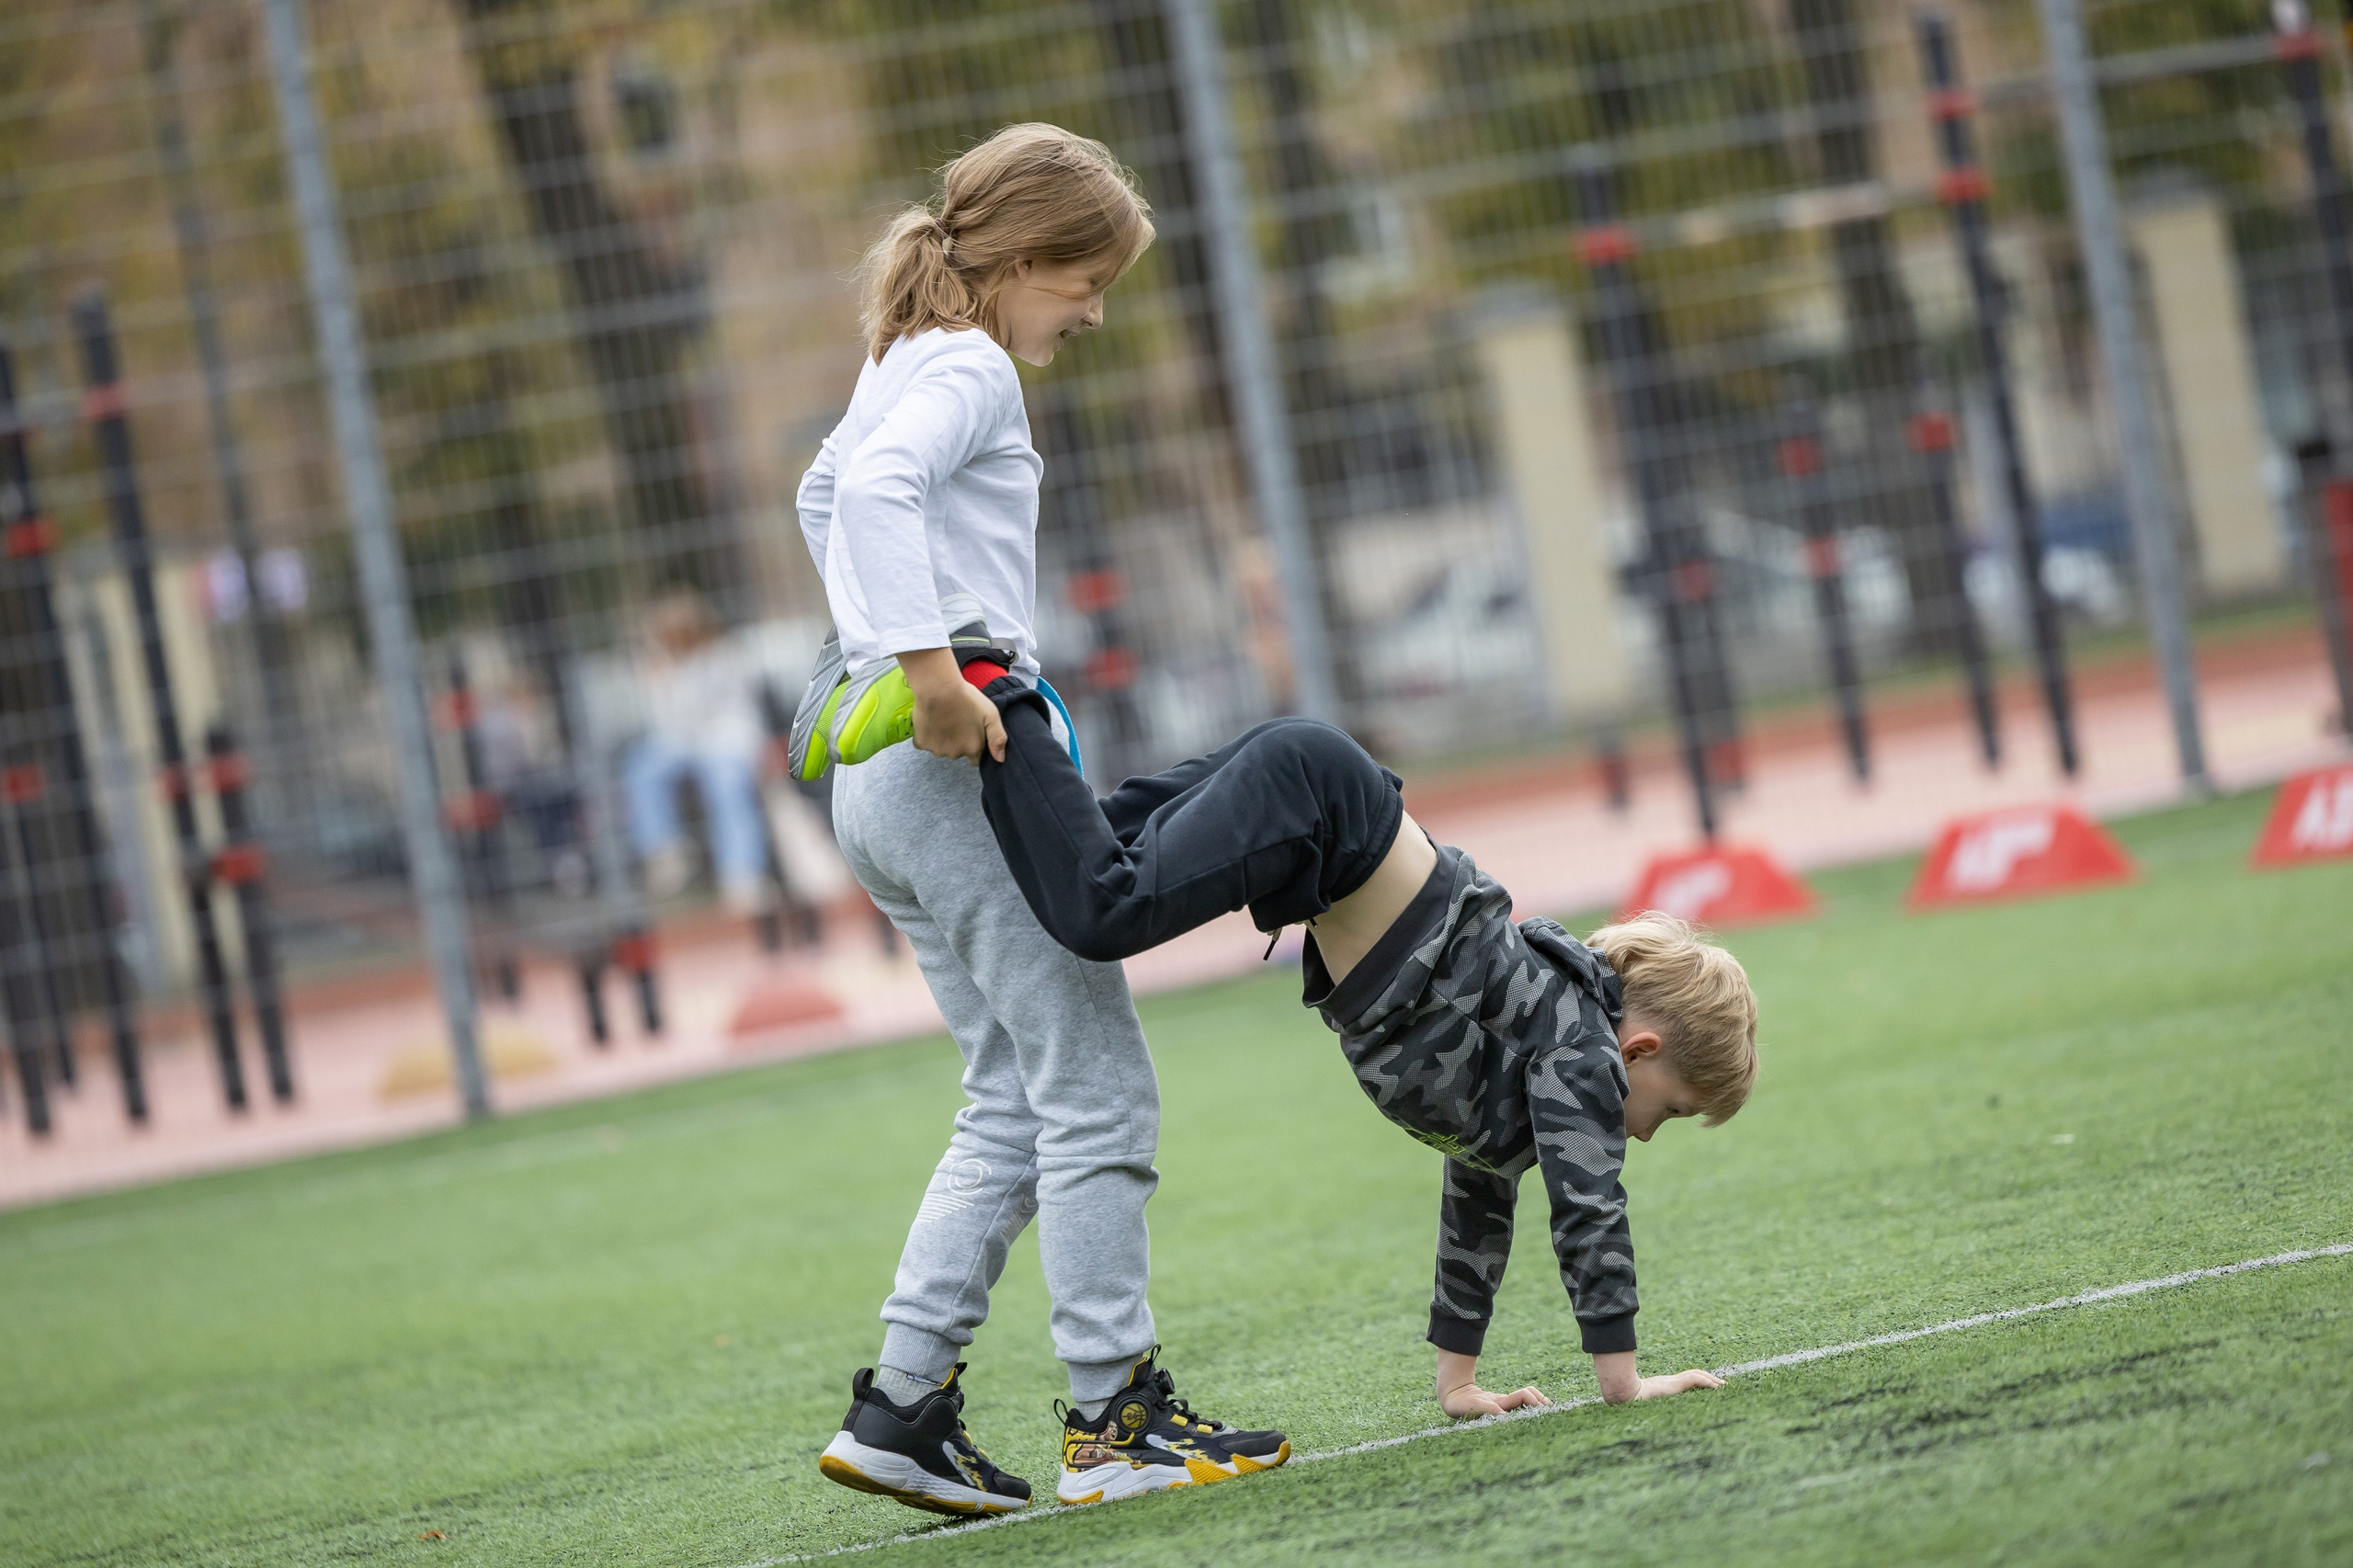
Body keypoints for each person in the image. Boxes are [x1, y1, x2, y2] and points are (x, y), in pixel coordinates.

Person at [798, 124, 1286, 1520]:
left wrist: (867, 664)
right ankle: (1112, 1414)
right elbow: (872, 496)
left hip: (871, 777)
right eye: (1085, 281)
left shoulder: (897, 360)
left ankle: (901, 1408)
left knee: (1010, 1091)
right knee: (1095, 1083)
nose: (1092, 310)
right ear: (1020, 261)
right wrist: (931, 672)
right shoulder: (964, 364)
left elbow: (819, 491)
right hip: (951, 760)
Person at [954, 656, 1758, 1429]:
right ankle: (1001, 694)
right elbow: (1591, 1214)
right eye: (1673, 1111)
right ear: (1642, 1050)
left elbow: (1478, 1204)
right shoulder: (1582, 1054)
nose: (1647, 1133)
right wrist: (1624, 1383)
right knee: (1105, 909)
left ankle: (981, 736)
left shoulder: (1524, 1086)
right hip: (1322, 808)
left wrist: (1461, 1383)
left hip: (1318, 810)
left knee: (1086, 859)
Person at [622, 590, 773, 915]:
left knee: (727, 784)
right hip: (682, 746)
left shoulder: (726, 655)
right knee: (642, 769)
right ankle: (665, 852)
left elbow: (726, 715)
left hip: (725, 745)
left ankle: (743, 874)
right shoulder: (660, 665)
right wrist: (661, 679)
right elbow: (667, 724)